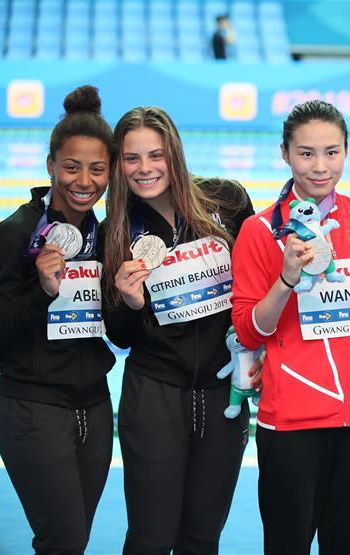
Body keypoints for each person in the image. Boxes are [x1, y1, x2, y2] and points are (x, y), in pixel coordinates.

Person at [230, 100, 350, 555]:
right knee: (287, 544)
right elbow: (248, 330)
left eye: (332, 152)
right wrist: (285, 281)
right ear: (285, 154)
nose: (320, 166)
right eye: (306, 153)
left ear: (346, 152)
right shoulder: (260, 231)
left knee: (347, 544)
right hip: (292, 420)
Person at [101, 106, 254, 553]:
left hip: (222, 394)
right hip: (155, 394)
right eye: (132, 158)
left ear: (176, 155)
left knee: (202, 536)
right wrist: (130, 303)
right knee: (151, 538)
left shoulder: (226, 200)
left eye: (156, 155)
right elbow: (120, 335)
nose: (145, 169)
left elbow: (256, 283)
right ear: (119, 164)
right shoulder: (116, 230)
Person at [0, 85, 115, 553]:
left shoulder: (107, 237)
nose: (84, 180)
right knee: (63, 539)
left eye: (97, 169)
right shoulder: (12, 237)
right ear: (51, 165)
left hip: (93, 409)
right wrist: (42, 293)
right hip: (32, 408)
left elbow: (116, 331)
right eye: (72, 167)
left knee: (71, 541)